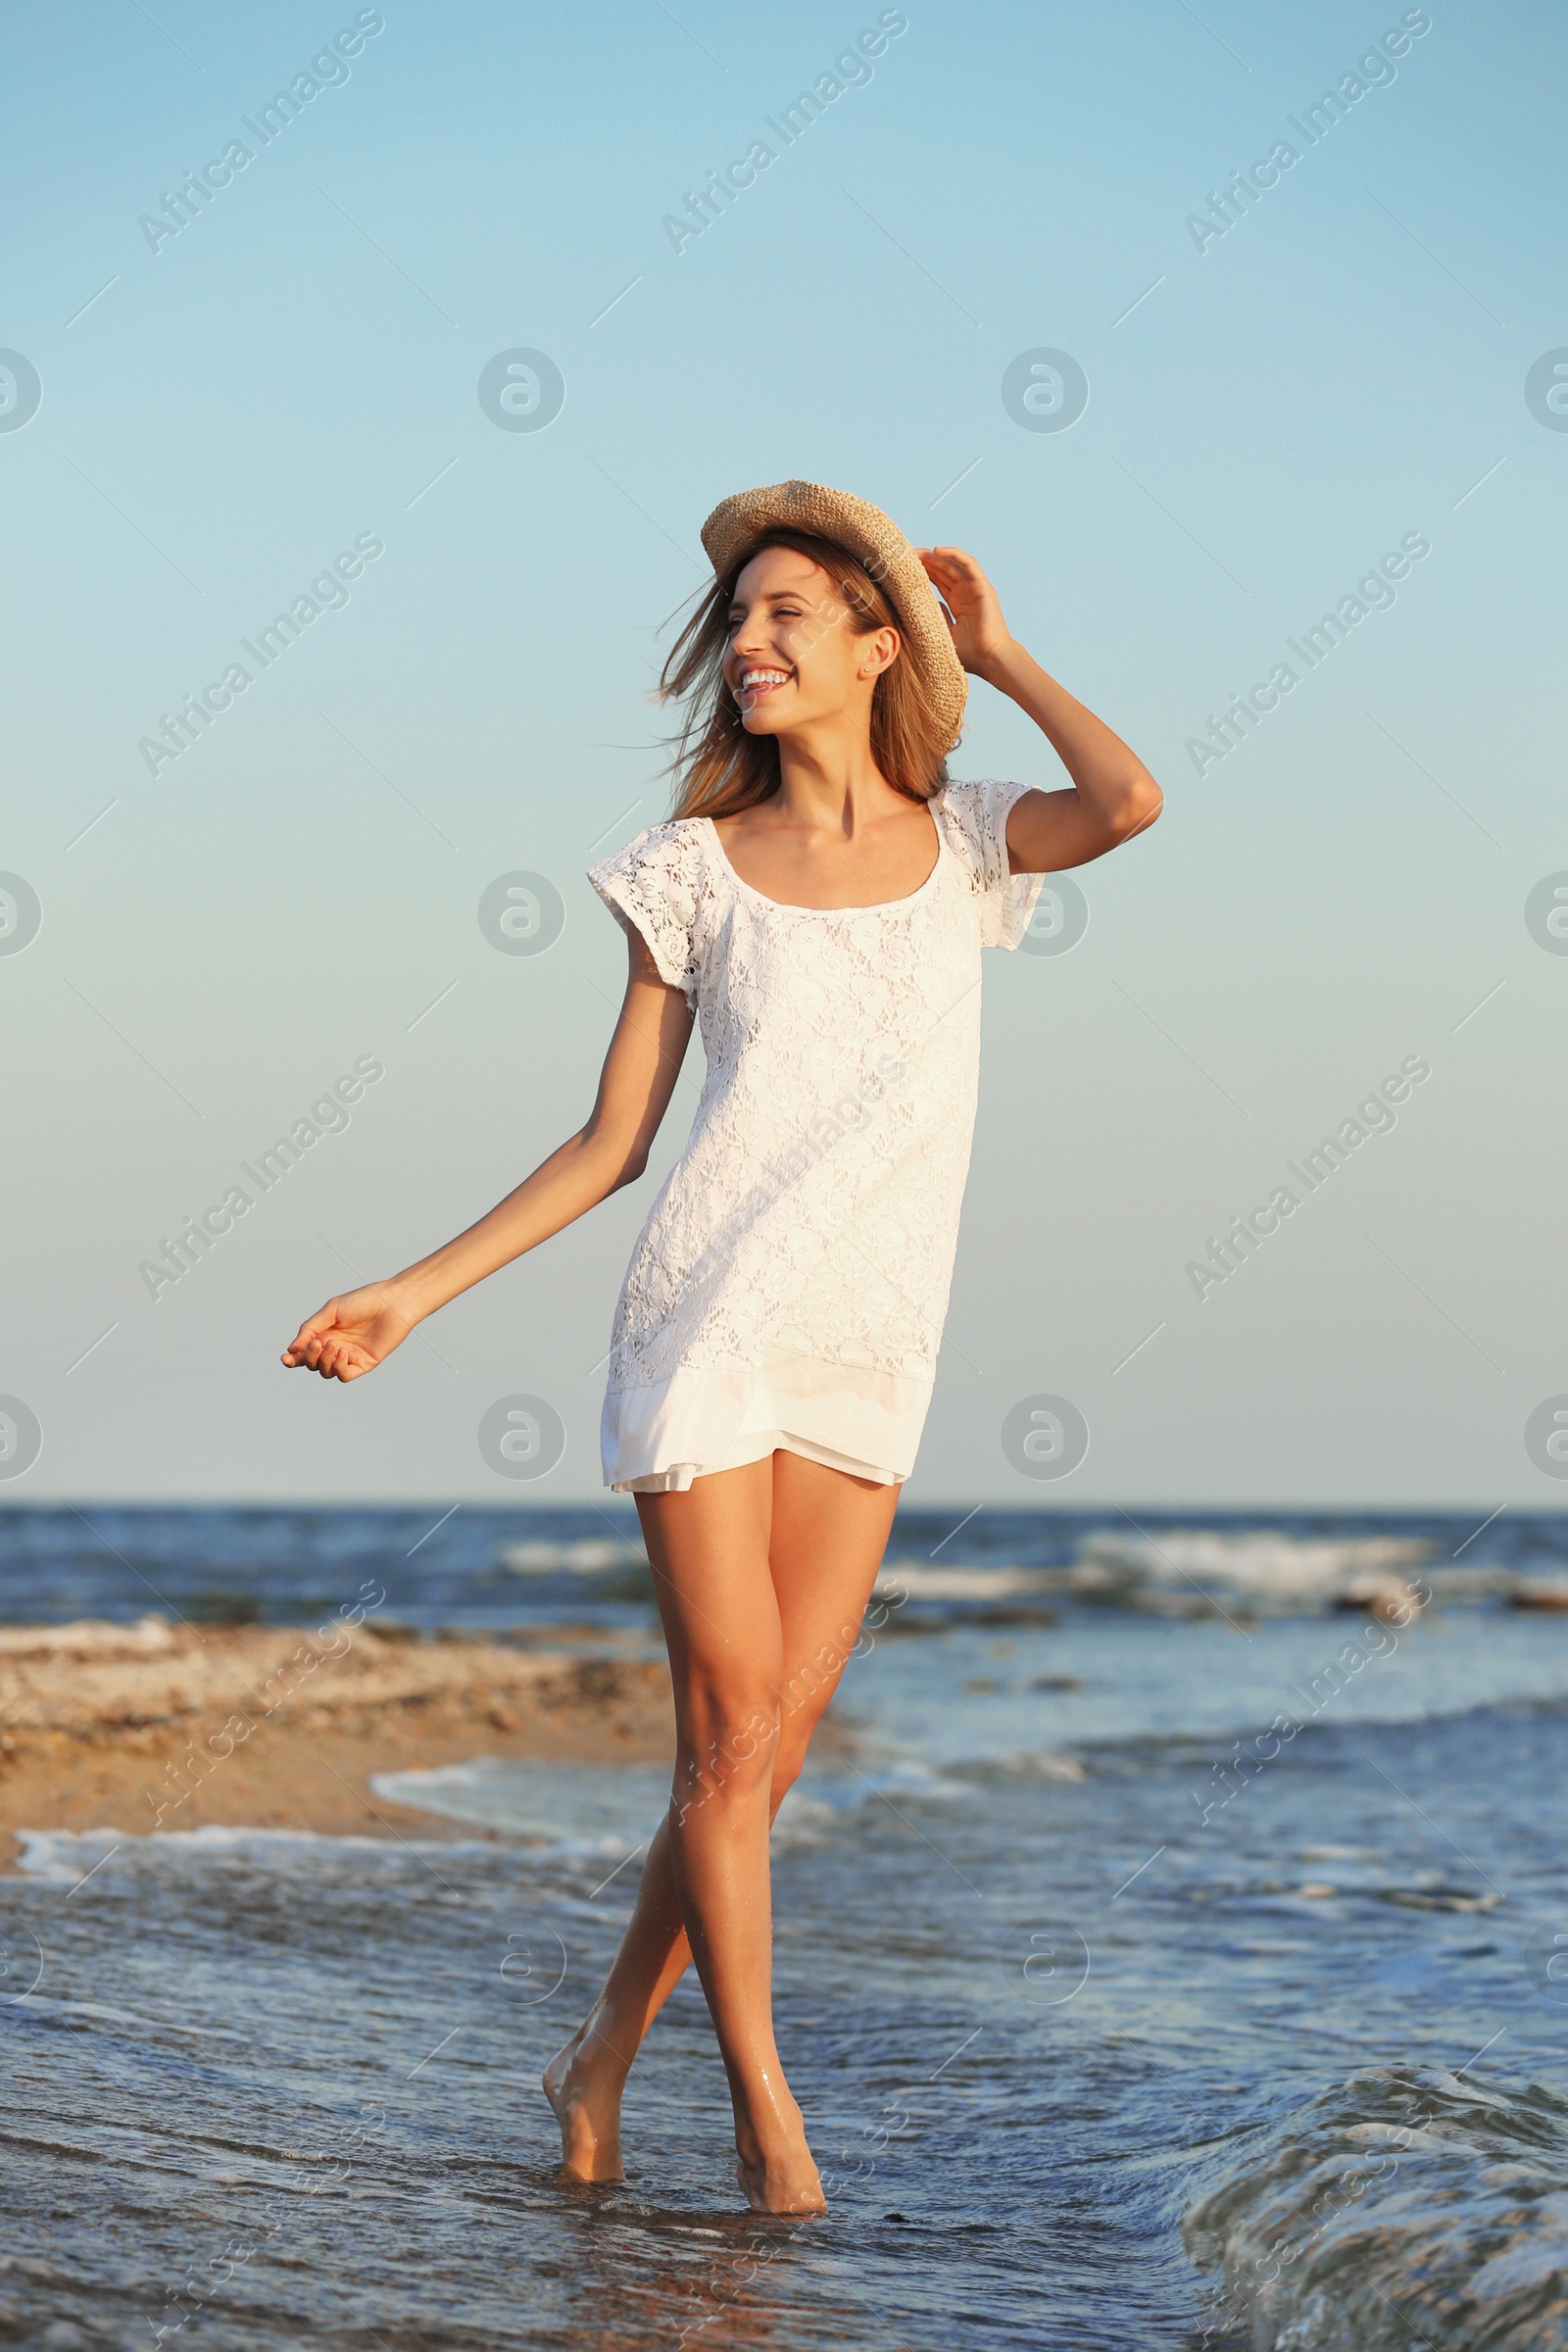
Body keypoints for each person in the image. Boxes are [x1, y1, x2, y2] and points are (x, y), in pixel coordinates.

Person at [282, 479, 1162, 2213]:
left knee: (751, 1766)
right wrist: (413, 1288)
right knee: (728, 1736)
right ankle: (773, 2126)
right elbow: (610, 1145)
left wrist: (1003, 649)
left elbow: (1129, 803)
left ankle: (598, 2054)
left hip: (871, 1346)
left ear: (872, 649)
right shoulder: (689, 871)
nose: (748, 645)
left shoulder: (972, 840)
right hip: (706, 1323)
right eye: (739, 619)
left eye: (785, 618)